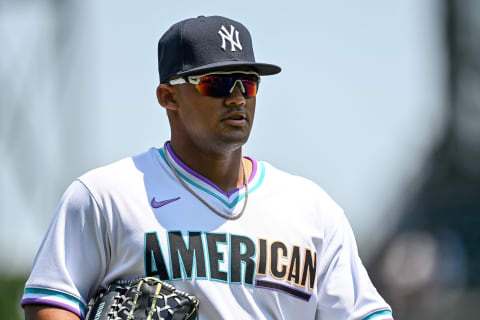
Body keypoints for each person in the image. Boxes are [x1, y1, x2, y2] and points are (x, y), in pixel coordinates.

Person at [22, 15, 394, 320]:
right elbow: (51, 302)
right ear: (168, 97)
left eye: (247, 83)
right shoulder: (105, 196)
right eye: (216, 83)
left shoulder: (314, 210)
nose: (236, 97)